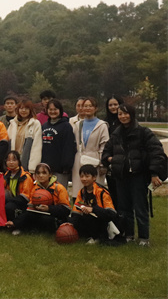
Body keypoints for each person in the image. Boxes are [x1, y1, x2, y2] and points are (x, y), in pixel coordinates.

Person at [102, 104, 166, 246]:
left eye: (126, 113)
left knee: (140, 207)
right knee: (124, 208)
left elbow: (156, 152)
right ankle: (128, 234)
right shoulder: (116, 134)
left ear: (132, 114)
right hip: (121, 176)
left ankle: (144, 237)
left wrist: (154, 173)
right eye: (120, 114)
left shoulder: (143, 132)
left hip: (138, 175)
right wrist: (111, 159)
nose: (123, 116)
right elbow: (106, 152)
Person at [9, 163, 70, 235]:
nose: (41, 175)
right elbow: (30, 206)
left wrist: (49, 208)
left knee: (46, 219)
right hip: (38, 213)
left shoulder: (59, 188)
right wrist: (35, 206)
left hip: (54, 215)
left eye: (44, 173)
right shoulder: (35, 187)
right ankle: (16, 225)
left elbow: (66, 210)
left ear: (50, 174)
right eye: (38, 173)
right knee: (27, 214)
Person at [68, 165, 118, 244]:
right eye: (82, 176)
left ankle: (97, 237)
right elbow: (76, 211)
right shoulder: (81, 192)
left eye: (87, 176)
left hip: (103, 221)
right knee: (71, 220)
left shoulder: (102, 192)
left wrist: (93, 209)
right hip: (88, 219)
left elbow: (112, 214)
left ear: (94, 177)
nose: (84, 179)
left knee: (90, 217)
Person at [72, 97, 109, 198]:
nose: (87, 108)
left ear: (95, 108)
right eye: (85, 106)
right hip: (79, 159)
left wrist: (103, 164)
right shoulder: (78, 125)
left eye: (90, 106)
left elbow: (104, 145)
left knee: (95, 191)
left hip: (95, 160)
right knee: (79, 190)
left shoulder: (102, 125)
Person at [41, 99, 76, 188]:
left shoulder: (66, 126)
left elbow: (69, 147)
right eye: (50, 109)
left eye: (55, 109)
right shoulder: (44, 126)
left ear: (60, 110)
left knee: (59, 192)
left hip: (61, 169)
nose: (53, 112)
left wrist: (66, 166)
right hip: (46, 167)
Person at [6, 100, 42, 173]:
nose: (23, 110)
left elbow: (36, 147)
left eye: (26, 108)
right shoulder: (13, 123)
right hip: (13, 162)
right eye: (21, 108)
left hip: (27, 161)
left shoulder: (35, 123)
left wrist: (32, 168)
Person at [3, 151, 34, 224]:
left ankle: (14, 223)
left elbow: (26, 197)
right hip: (11, 200)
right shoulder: (7, 174)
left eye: (14, 160)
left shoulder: (25, 177)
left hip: (23, 202)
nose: (11, 162)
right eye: (8, 160)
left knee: (9, 206)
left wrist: (9, 200)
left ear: (19, 161)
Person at [103, 95, 124, 202]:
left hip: (123, 161)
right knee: (112, 190)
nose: (113, 107)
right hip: (110, 160)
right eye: (110, 105)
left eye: (115, 104)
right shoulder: (105, 122)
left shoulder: (125, 121)